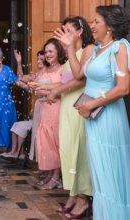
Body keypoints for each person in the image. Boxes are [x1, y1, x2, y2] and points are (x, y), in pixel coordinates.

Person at [75, 5, 130, 219]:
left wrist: (92, 104)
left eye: (97, 22)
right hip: (92, 119)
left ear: (109, 26)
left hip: (108, 119)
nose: (93, 26)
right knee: (98, 173)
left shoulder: (120, 48)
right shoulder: (97, 50)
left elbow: (123, 87)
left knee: (109, 172)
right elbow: (82, 77)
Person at [45, 16, 95, 218]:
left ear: (80, 31)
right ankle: (73, 194)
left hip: (78, 108)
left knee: (79, 151)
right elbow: (67, 82)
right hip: (66, 107)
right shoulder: (71, 53)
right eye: (62, 30)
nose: (63, 34)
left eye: (67, 30)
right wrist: (47, 88)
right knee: (67, 151)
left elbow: (79, 79)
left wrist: (69, 48)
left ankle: (83, 198)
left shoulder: (89, 50)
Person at [29, 38, 66, 190]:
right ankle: (50, 175)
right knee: (46, 144)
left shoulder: (63, 69)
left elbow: (64, 88)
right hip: (44, 108)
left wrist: (46, 90)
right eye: (46, 52)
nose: (48, 55)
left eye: (51, 51)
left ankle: (57, 178)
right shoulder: (44, 70)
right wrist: (38, 90)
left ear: (58, 51)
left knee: (55, 143)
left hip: (56, 108)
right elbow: (37, 91)